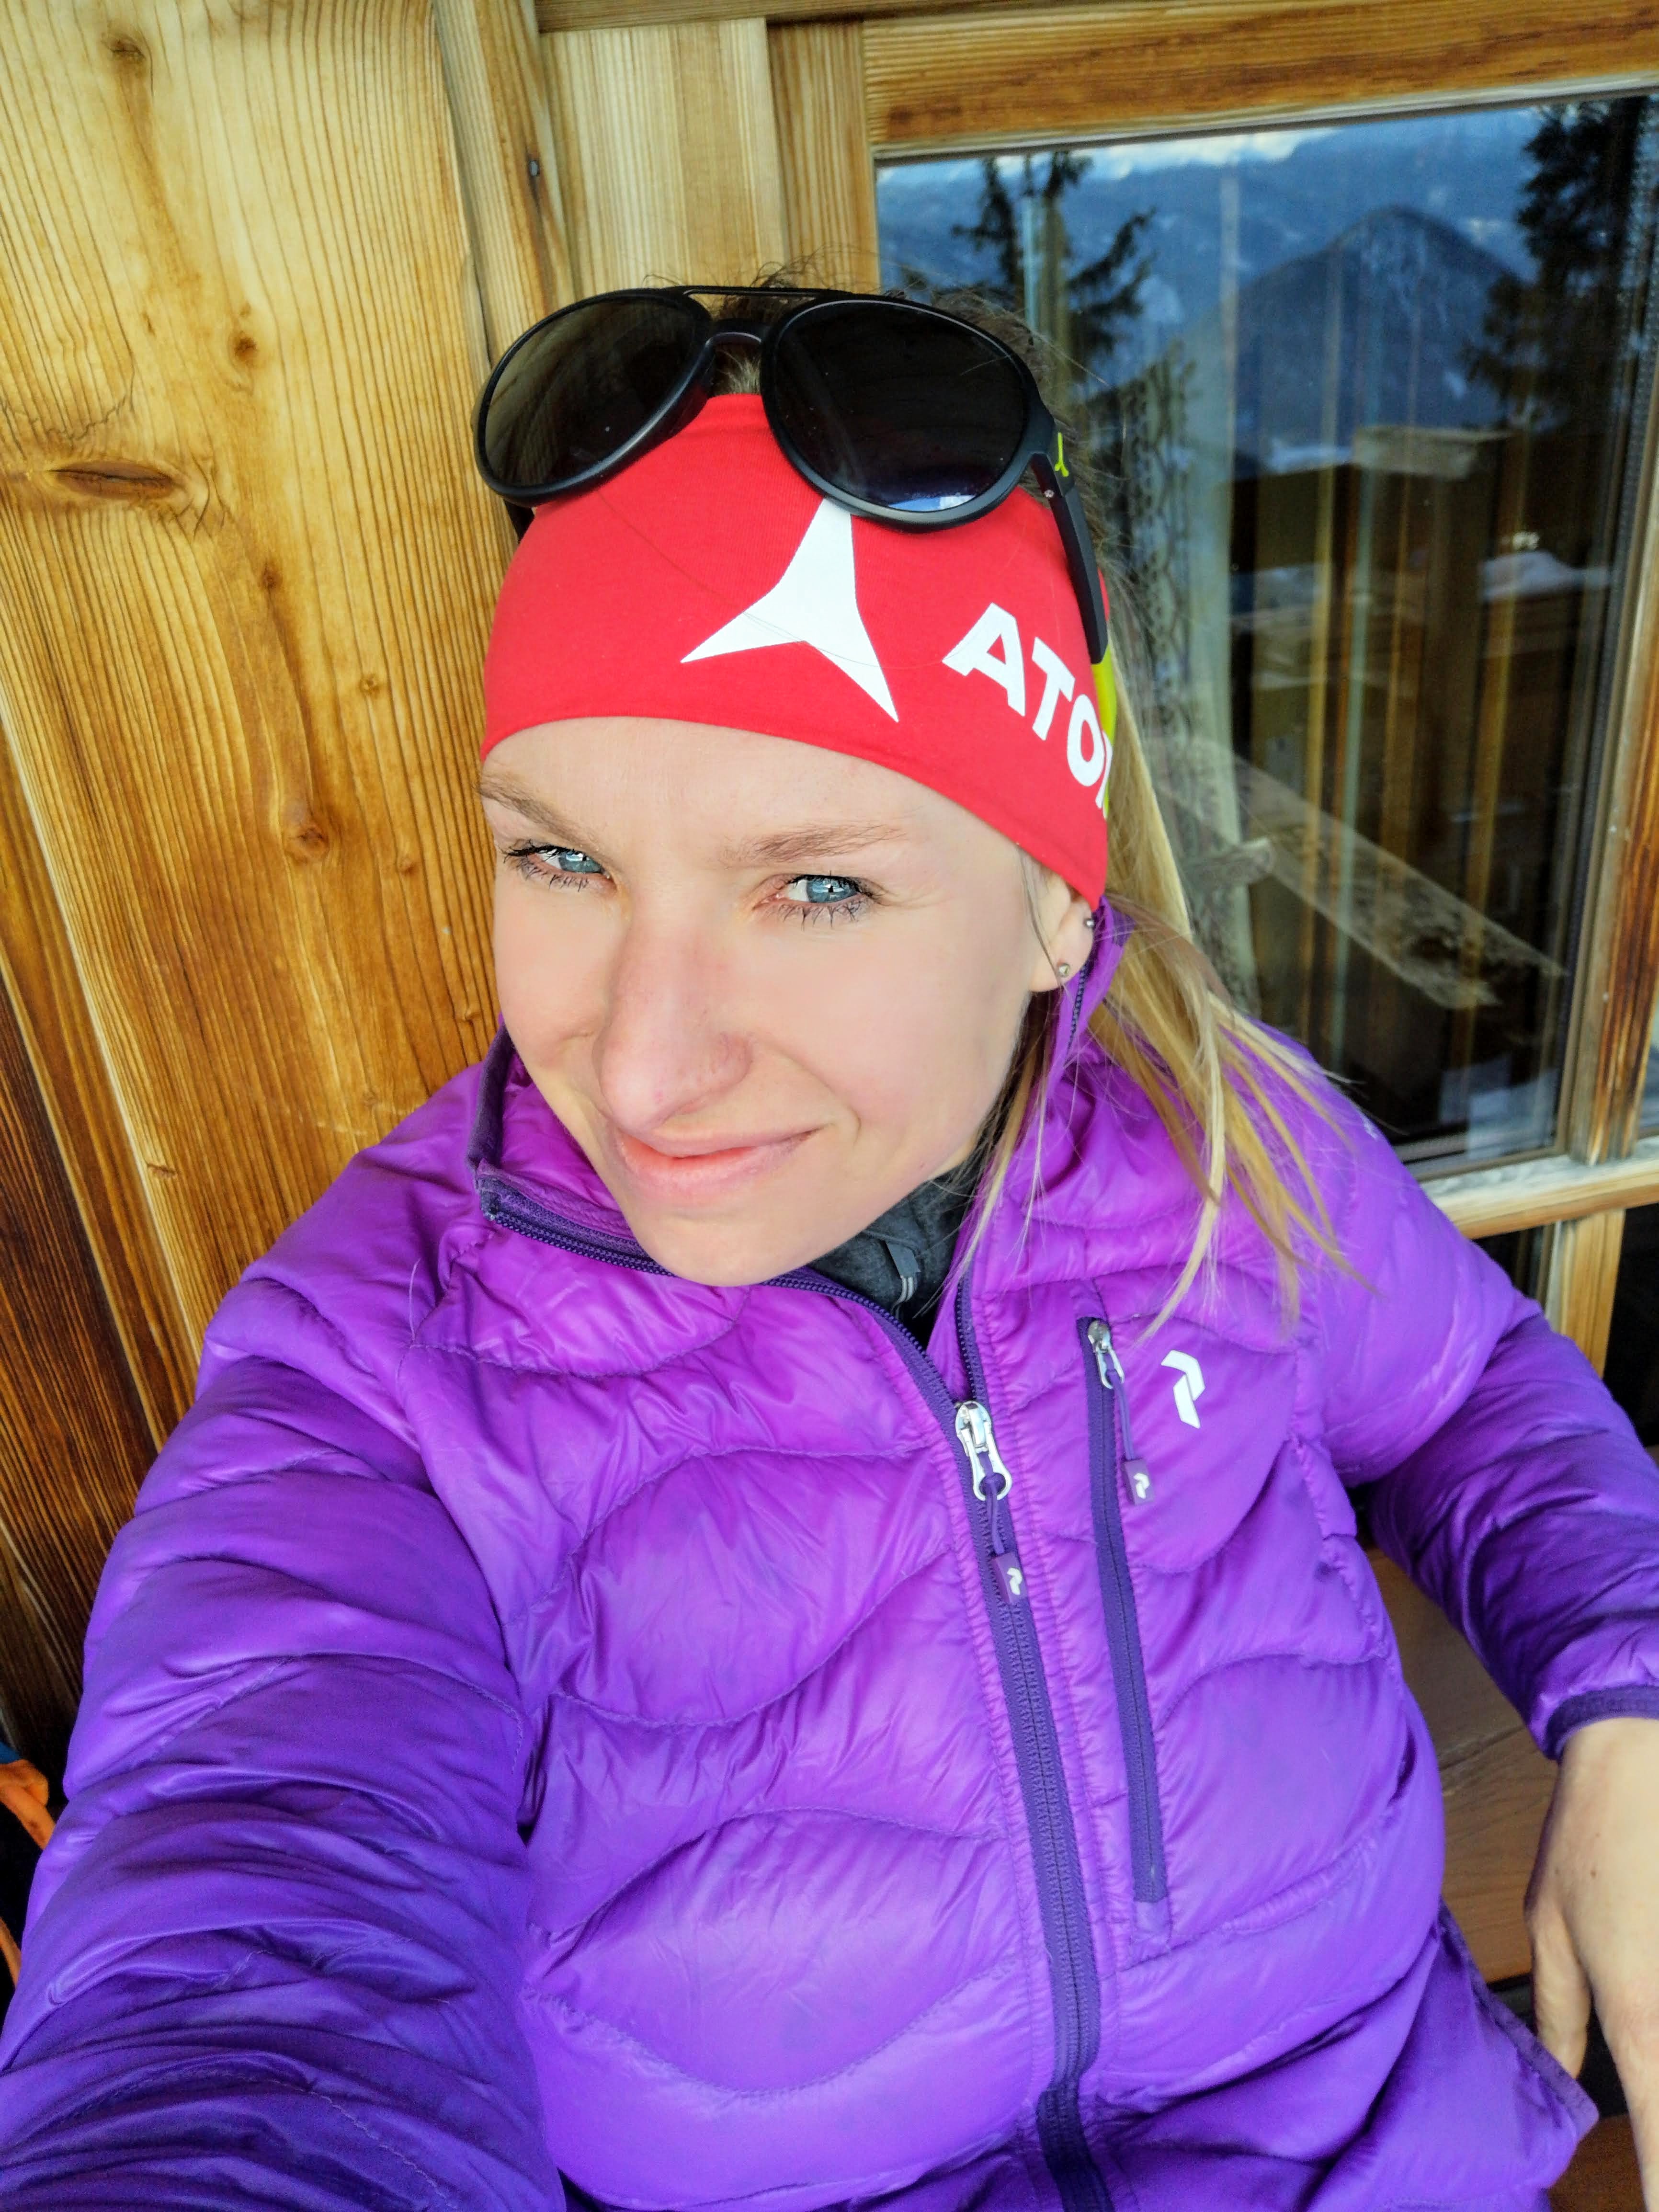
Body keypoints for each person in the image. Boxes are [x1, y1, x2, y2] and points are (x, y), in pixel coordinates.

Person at [1, 284, 1656, 2212]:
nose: (642, 1062)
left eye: (813, 885)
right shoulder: (382, 1371)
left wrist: (1629, 1697)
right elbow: (254, 1912)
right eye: (560, 857)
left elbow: (1463, 1390)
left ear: (1053, 905)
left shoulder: (1217, 1129)